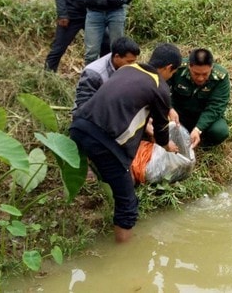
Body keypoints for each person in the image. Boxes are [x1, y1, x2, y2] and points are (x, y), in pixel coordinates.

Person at [69, 43, 182, 243]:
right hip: (104, 141)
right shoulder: (159, 86)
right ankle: (123, 251)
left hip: (79, 126)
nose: (170, 77)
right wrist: (166, 146)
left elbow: (125, 102)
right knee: (128, 202)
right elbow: (162, 127)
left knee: (122, 176)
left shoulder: (128, 68)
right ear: (169, 68)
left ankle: (97, 183)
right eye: (172, 73)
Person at [168, 48, 230, 149]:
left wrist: (198, 128)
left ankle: (202, 144)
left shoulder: (220, 77)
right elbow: (161, 89)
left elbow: (216, 107)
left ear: (211, 67)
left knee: (220, 131)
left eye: (205, 74)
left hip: (203, 117)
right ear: (189, 66)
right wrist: (169, 108)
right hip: (178, 115)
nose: (200, 78)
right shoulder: (178, 69)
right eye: (196, 74)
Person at [72, 36, 140, 113]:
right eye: (129, 62)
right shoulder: (93, 73)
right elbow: (83, 105)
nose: (133, 65)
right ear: (117, 57)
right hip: (90, 115)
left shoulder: (123, 64)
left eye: (134, 61)